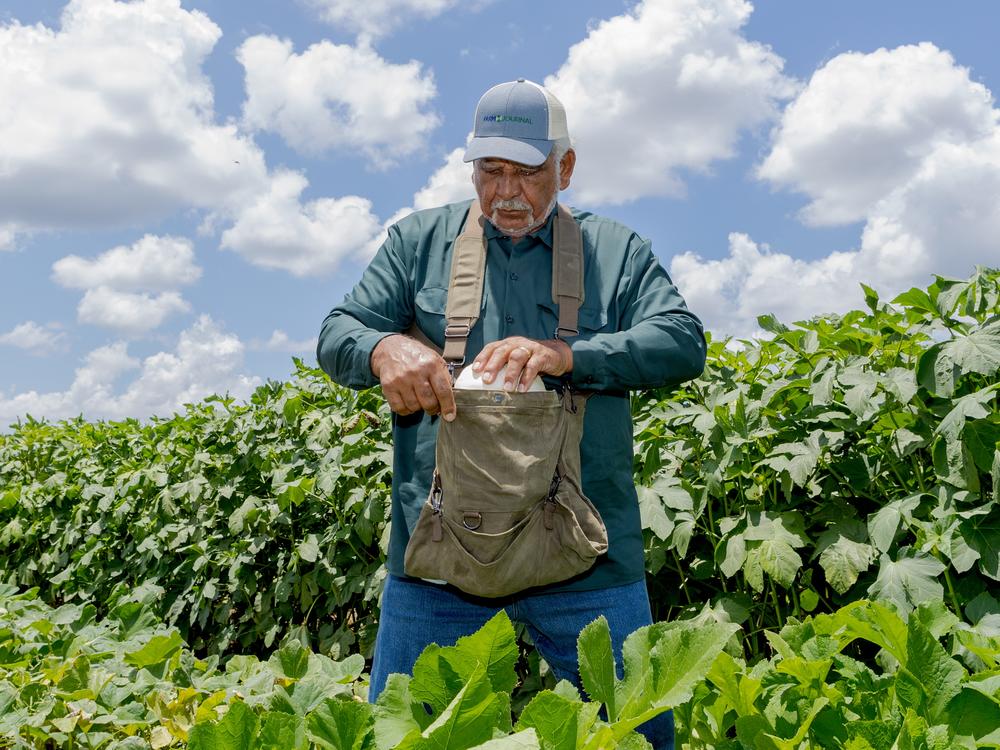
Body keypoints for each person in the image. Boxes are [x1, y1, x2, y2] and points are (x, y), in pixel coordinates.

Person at [317, 78, 705, 749]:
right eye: (489, 173)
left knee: (637, 738)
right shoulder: (418, 243)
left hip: (590, 558)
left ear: (567, 167)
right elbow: (338, 331)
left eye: (527, 174)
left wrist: (566, 355)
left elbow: (681, 341)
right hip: (438, 564)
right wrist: (383, 349)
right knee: (404, 737)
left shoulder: (614, 250)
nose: (506, 194)